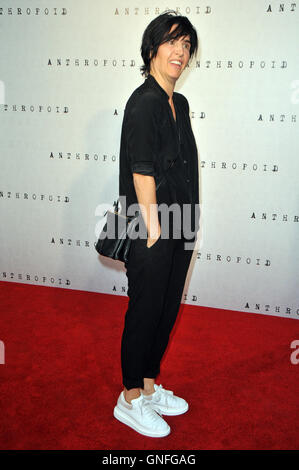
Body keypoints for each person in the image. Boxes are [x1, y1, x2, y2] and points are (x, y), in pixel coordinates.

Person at [114, 10, 200, 437]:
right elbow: (142, 171)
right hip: (152, 226)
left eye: (186, 45)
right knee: (145, 310)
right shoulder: (144, 101)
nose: (180, 52)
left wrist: (187, 224)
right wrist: (153, 232)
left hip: (180, 223)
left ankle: (148, 387)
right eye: (172, 42)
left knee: (166, 310)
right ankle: (129, 398)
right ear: (152, 49)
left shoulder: (178, 103)